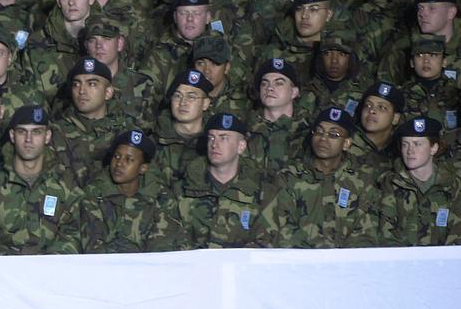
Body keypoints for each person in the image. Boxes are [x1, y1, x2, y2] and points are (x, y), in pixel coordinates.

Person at [0, 105, 84, 255]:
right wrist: (19, 267)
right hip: (1, 271)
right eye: (22, 132)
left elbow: (73, 233)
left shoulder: (66, 182)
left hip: (53, 270)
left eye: (36, 132)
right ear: (12, 135)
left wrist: (46, 265)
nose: (28, 140)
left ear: (47, 136)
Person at [257, 107, 380, 248]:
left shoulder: (361, 182)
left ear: (346, 143)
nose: (323, 138)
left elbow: (367, 236)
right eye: (319, 132)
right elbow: (271, 228)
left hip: (345, 266)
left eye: (333, 135)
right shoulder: (289, 177)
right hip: (295, 263)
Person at [80, 129, 185, 253]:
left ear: (143, 168)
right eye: (117, 156)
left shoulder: (161, 196)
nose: (119, 164)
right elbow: (93, 242)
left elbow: (162, 245)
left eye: (129, 160)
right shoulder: (94, 192)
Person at [176, 112, 267, 248]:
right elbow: (171, 241)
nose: (214, 145)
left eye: (223, 138)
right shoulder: (182, 189)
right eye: (211, 138)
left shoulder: (262, 192)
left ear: (241, 146)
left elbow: (267, 243)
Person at [378, 116, 461, 245]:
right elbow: (384, 235)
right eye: (405, 144)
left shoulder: (453, 185)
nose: (410, 151)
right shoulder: (389, 184)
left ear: (433, 148)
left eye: (417, 144)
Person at [25, 0, 96, 102]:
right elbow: (31, 94)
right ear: (58, 2)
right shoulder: (36, 43)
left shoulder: (108, 38)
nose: (71, 2)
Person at [153, 69, 214, 185]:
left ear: (205, 104)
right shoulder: (154, 140)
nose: (183, 102)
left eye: (191, 97)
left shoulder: (215, 142)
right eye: (177, 96)